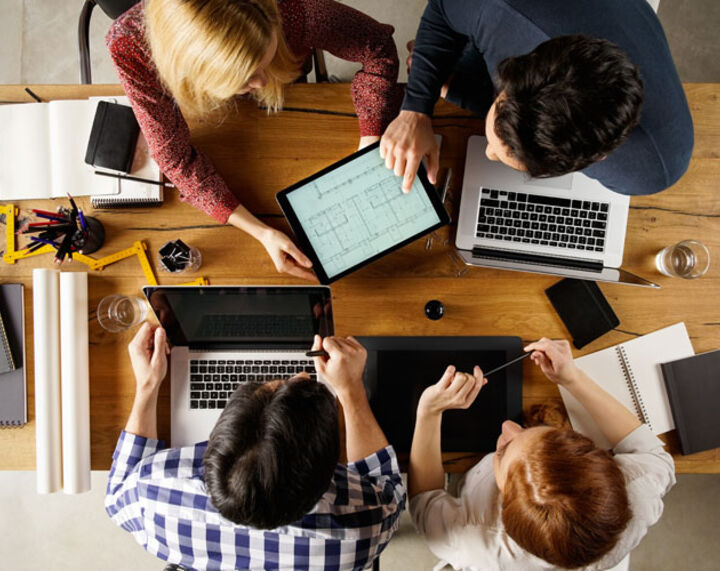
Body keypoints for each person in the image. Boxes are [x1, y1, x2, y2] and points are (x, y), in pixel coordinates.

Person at [106, 0, 402, 281]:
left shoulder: (293, 10)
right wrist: (261, 232)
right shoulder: (130, 47)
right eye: (246, 77)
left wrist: (371, 139)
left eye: (263, 62)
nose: (261, 84)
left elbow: (377, 48)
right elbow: (174, 158)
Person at [105, 324, 405, 570]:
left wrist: (147, 385)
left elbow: (115, 494)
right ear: (329, 472)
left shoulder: (151, 498)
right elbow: (387, 485)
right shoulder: (364, 531)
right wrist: (350, 388)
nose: (299, 375)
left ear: (212, 449)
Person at [409, 338, 675, 570]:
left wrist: (428, 412)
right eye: (549, 432)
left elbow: (425, 501)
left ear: (504, 507)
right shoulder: (637, 491)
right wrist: (573, 378)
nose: (508, 426)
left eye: (502, 452)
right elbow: (651, 453)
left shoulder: (470, 540)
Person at [381, 0, 693, 197]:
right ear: (513, 71)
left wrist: (459, 90)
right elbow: (442, 8)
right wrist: (416, 109)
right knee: (436, 61)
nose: (488, 153)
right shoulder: (499, 8)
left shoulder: (650, 169)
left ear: (599, 159)